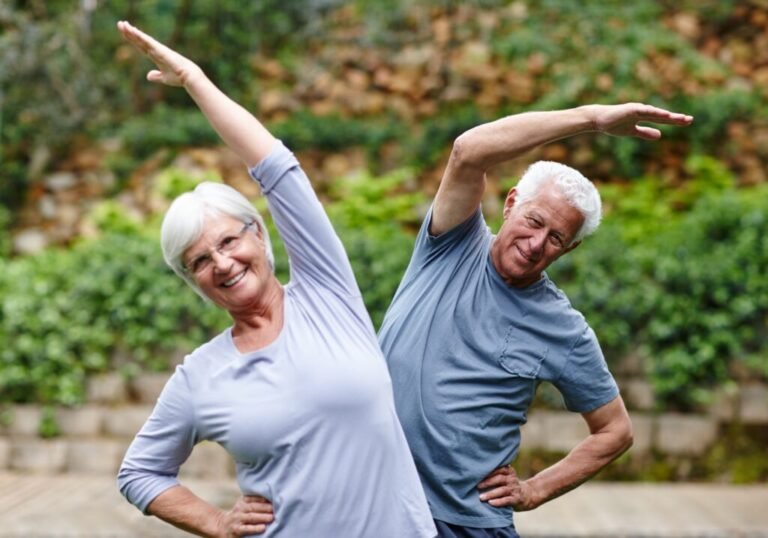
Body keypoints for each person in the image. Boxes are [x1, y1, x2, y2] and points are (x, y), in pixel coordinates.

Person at [114, 21, 436, 538]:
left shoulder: (327, 294)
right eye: (198, 261)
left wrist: (195, 80)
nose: (221, 263)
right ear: (192, 281)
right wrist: (216, 522)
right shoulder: (201, 377)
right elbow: (139, 473)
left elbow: (277, 169)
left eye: (228, 242)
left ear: (260, 236)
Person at [377, 103, 694, 537]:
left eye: (556, 238)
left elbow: (615, 431)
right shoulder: (452, 243)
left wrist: (534, 491)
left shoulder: (563, 328)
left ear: (569, 249)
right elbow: (469, 150)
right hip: (377, 501)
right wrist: (591, 119)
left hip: (464, 523)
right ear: (511, 204)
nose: (535, 244)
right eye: (535, 221)